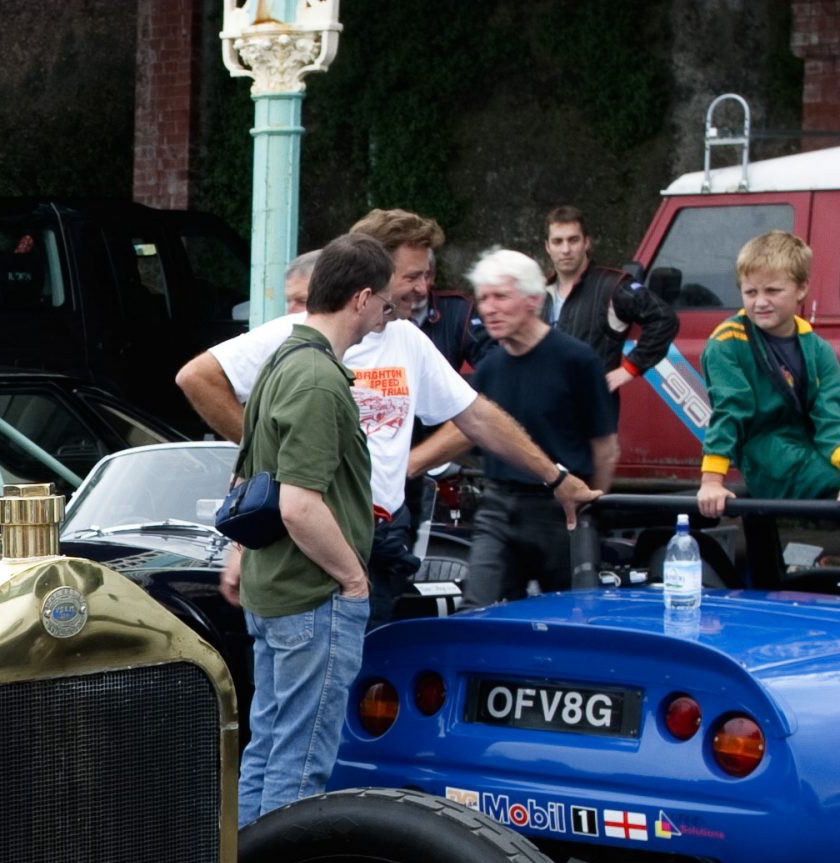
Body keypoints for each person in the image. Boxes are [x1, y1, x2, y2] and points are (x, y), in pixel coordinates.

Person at [178, 207, 597, 625]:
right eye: (412, 276)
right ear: (372, 273)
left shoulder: (407, 338)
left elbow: (477, 417)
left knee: (367, 674)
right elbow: (198, 377)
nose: (422, 288)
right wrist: (267, 463)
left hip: (383, 532)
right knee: (321, 674)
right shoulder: (298, 335)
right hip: (317, 532)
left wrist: (555, 478)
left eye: (426, 276)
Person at [218, 236, 393, 828]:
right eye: (387, 305)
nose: (387, 316)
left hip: (274, 587)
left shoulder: (281, 362)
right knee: (300, 768)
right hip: (310, 595)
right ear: (362, 298)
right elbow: (297, 505)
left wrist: (239, 554)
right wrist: (353, 579)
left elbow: (246, 475)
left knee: (266, 753)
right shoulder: (319, 379)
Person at [444, 251, 616, 606]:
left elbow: (605, 447)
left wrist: (589, 510)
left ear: (534, 300)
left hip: (560, 511)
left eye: (500, 297)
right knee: (477, 611)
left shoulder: (577, 360)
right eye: (483, 298)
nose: (488, 308)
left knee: (568, 617)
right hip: (498, 507)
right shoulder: (489, 369)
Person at [696, 230, 840, 523]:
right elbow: (730, 410)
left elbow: (830, 419)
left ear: (801, 289)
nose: (760, 302)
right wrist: (711, 481)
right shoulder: (727, 343)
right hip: (767, 455)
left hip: (810, 448)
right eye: (750, 292)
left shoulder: (818, 348)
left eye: (772, 291)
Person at [542, 204, 675, 392]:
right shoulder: (539, 293)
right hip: (544, 411)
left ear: (586, 242)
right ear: (547, 247)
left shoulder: (613, 285)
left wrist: (629, 369)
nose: (565, 249)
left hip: (591, 412)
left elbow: (663, 318)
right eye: (557, 242)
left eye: (573, 240)